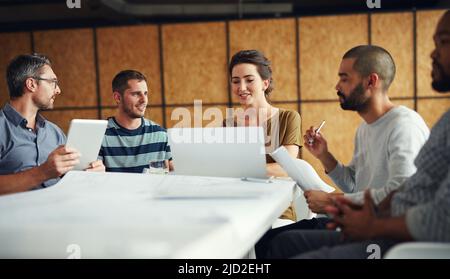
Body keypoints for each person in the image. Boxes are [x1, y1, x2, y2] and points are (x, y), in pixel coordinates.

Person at [265, 10, 450, 259]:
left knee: (283, 244)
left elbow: (401, 186)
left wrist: (335, 203)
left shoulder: (404, 125)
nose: (337, 87)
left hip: (390, 238)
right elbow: (356, 183)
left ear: (371, 81)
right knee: (278, 242)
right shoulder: (365, 128)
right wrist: (326, 157)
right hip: (374, 224)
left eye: (344, 79)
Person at [0, 53, 104, 195]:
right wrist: (42, 173)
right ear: (32, 84)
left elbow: (69, 176)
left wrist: (89, 171)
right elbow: (46, 172)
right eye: (53, 82)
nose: (58, 90)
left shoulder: (54, 132)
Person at [226, 50, 302, 222]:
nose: (241, 87)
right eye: (235, 81)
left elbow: (287, 167)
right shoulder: (228, 124)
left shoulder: (288, 118)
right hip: (237, 210)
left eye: (249, 80)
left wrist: (238, 171)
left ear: (265, 83)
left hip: (277, 213)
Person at [98, 70, 173, 173]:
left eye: (145, 93)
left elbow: (170, 174)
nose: (144, 100)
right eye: (136, 94)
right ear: (118, 98)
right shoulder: (100, 135)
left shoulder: (160, 134)